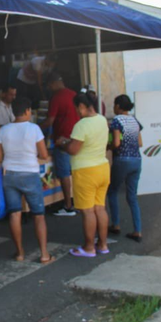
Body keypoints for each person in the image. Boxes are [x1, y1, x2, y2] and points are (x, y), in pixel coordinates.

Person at [0, 97, 53, 264]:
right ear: (28, 111)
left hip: (10, 175)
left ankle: (19, 252)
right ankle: (43, 254)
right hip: (30, 175)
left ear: (13, 112)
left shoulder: (4, 130)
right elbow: (43, 155)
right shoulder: (34, 129)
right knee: (39, 216)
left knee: (14, 214)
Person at [57, 92, 110, 258]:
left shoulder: (82, 125)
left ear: (81, 106)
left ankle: (88, 247)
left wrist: (63, 143)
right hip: (102, 167)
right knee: (100, 209)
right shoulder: (102, 120)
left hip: (85, 171)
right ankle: (102, 244)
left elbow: (73, 149)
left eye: (77, 108)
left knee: (87, 212)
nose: (77, 112)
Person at [106, 95, 143, 241]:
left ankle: (115, 224)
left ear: (119, 106)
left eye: (115, 105)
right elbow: (140, 143)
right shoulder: (135, 120)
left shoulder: (117, 121)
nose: (113, 108)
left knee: (113, 191)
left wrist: (107, 147)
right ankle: (137, 230)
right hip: (137, 160)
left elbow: (116, 143)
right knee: (132, 196)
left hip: (122, 159)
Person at [41, 73, 79, 216]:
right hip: (76, 139)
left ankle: (68, 206)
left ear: (55, 82)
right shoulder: (74, 94)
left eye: (50, 85)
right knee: (73, 172)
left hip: (62, 142)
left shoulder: (56, 98)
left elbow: (50, 121)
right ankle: (76, 201)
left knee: (64, 174)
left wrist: (35, 127)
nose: (49, 88)